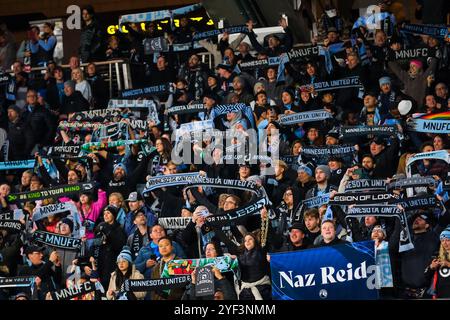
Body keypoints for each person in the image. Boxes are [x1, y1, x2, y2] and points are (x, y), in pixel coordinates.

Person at [94, 205, 127, 290]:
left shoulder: (119, 229)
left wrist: (108, 238)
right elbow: (95, 244)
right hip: (101, 262)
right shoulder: (100, 226)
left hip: (113, 263)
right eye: (104, 213)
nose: (106, 215)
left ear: (114, 215)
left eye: (108, 213)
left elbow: (120, 247)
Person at [236, 233, 271, 300]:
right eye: (245, 240)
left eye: (250, 239)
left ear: (255, 241)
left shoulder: (261, 252)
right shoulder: (240, 256)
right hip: (245, 292)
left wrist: (270, 259)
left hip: (263, 290)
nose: (247, 242)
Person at [425, 227, 450, 299]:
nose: (445, 243)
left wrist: (448, 264)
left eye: (448, 240)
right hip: (440, 294)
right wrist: (431, 267)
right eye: (442, 240)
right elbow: (426, 276)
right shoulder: (436, 255)